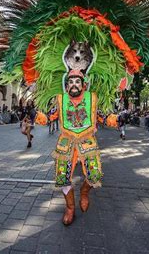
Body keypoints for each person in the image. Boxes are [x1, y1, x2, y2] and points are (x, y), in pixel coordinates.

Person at [47, 69, 105, 226]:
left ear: (83, 85)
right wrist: (39, 117)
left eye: (77, 81)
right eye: (70, 82)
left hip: (87, 140)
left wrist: (112, 119)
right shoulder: (60, 99)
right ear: (66, 86)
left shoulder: (92, 98)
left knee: (94, 175)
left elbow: (101, 115)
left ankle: (84, 192)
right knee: (62, 177)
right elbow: (49, 115)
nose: (74, 85)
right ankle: (70, 207)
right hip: (66, 142)